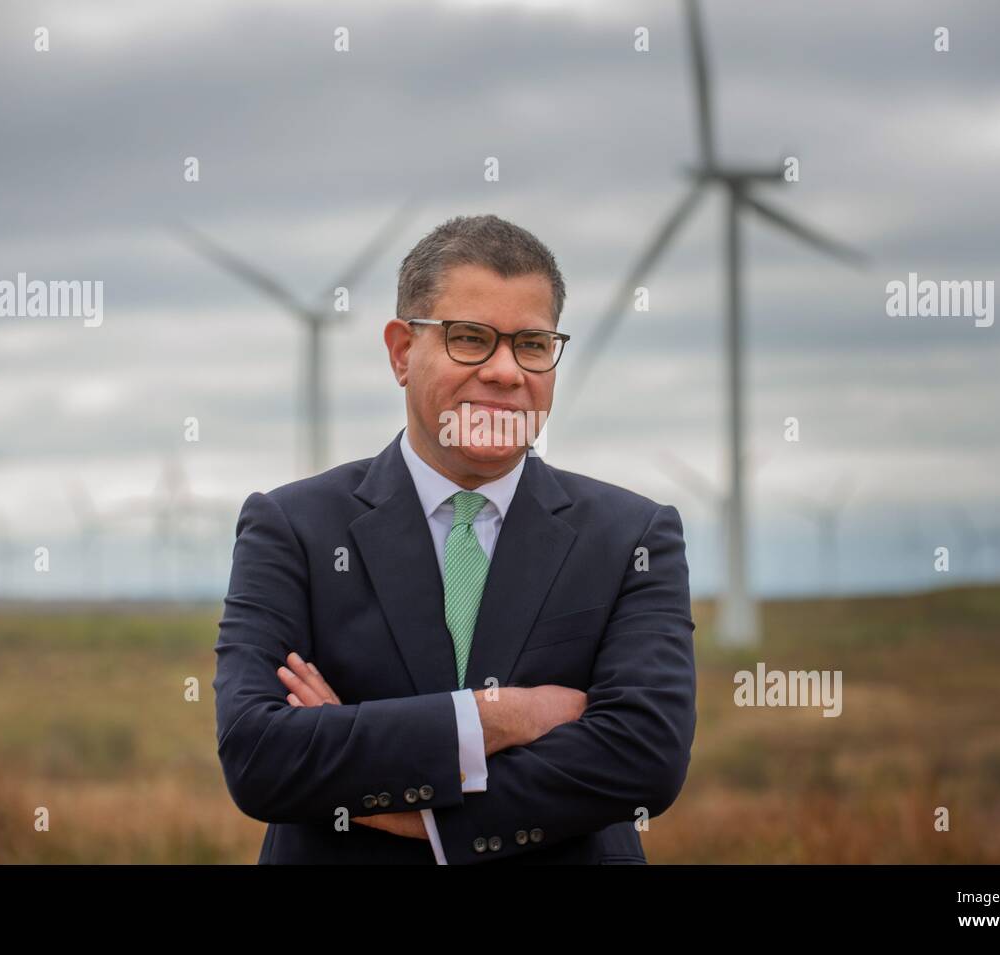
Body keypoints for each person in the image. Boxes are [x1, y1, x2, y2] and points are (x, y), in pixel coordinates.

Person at [213, 213, 697, 864]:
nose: (504, 371)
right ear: (400, 351)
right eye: (470, 338)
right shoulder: (291, 528)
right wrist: (501, 717)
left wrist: (401, 806)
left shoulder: (633, 536)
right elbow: (259, 756)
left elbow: (645, 758)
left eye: (532, 344)